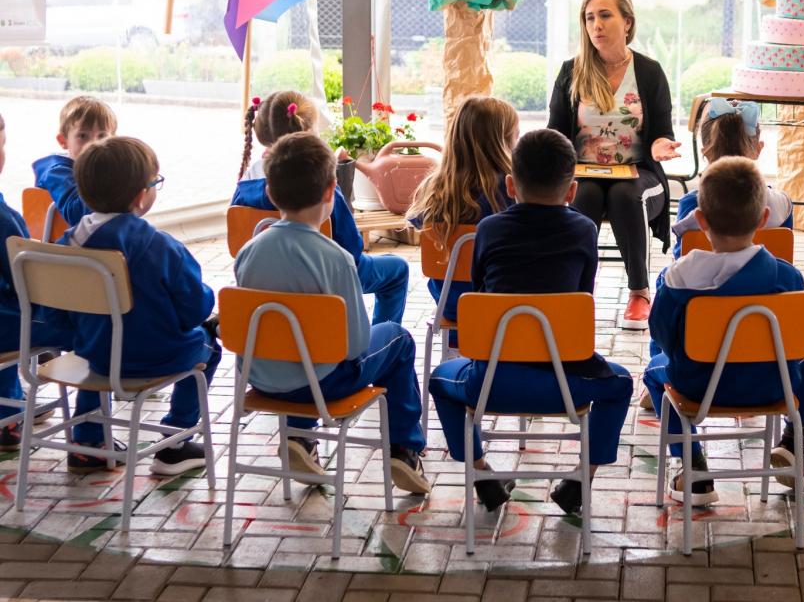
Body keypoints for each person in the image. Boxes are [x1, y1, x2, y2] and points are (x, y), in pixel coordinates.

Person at [428, 129, 633, 516]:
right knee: (621, 384)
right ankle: (580, 480)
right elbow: (581, 297)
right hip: (567, 385)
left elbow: (481, 294)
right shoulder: (585, 230)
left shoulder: (487, 230)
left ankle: (481, 473)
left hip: (489, 383)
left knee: (440, 380)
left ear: (509, 185)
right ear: (572, 191)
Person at [234, 133, 430, 493]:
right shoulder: (336, 258)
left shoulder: (248, 252)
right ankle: (404, 449)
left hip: (260, 378)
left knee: (295, 349)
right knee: (397, 339)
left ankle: (300, 437)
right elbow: (354, 346)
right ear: (330, 192)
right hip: (324, 385)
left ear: (271, 193)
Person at [643, 157, 804, 503]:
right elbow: (798, 342)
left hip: (698, 387)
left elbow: (660, 333)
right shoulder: (788, 278)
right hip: (773, 387)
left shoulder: (680, 277)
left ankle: (692, 462)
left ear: (700, 220)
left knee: (654, 374)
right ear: (764, 219)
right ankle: (793, 438)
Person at [54, 137, 219, 475]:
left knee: (98, 341)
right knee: (208, 344)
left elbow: (56, 310)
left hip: (93, 355)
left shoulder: (66, 243)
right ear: (142, 195)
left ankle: (89, 438)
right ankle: (175, 440)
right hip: (152, 357)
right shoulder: (159, 245)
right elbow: (195, 308)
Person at [548, 0, 681, 331]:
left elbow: (661, 132)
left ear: (627, 22)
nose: (597, 25)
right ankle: (578, 293)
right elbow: (556, 133)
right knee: (587, 193)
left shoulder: (649, 72)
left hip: (639, 175)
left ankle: (639, 292)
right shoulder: (571, 71)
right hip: (584, 174)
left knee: (625, 194)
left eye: (605, 15)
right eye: (590, 18)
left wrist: (658, 147)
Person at [233, 91, 409, 326]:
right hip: (327, 271)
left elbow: (238, 236)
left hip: (267, 271)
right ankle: (383, 340)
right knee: (397, 269)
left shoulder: (245, 184)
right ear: (307, 130)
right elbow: (351, 250)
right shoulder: (319, 183)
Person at [0, 112, 79, 447]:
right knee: (87, 323)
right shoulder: (4, 220)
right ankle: (92, 434)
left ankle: (12, 407)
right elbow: (28, 283)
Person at [407, 97, 518, 326]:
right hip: (500, 307)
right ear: (503, 142)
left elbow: (417, 221)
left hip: (451, 306)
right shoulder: (510, 190)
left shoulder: (434, 188)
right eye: (516, 137)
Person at [671, 98, 792, 260]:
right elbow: (783, 257)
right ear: (758, 149)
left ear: (705, 151)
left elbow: (681, 258)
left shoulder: (691, 204)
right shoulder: (782, 204)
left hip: (700, 284)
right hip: (766, 283)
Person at [32, 95, 116, 226]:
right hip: (61, 245)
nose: (94, 144)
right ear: (63, 141)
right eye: (83, 136)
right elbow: (76, 215)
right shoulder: (58, 173)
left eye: (102, 136)